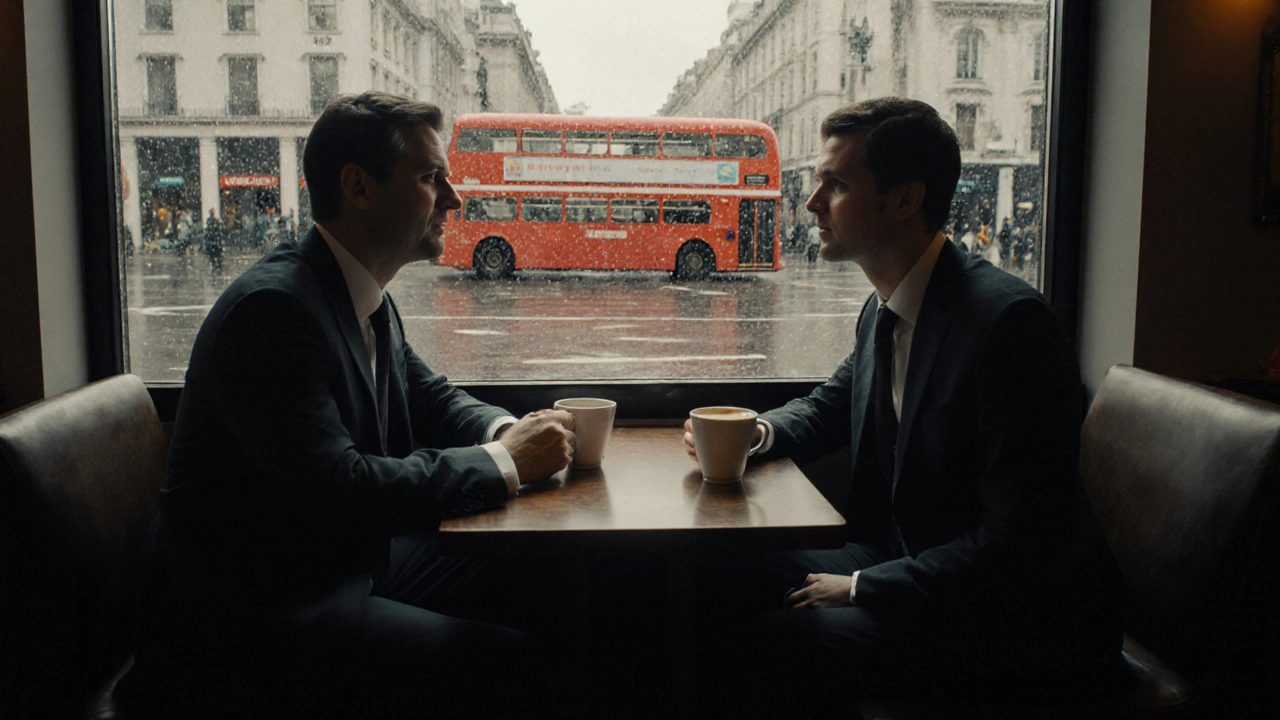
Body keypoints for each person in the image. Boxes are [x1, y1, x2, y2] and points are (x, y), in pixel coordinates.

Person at [120, 92, 578, 719]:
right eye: (429, 177)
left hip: (334, 567)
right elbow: (340, 488)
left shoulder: (357, 289)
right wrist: (506, 462)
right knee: (507, 659)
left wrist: (510, 428)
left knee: (556, 576)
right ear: (359, 187)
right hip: (254, 619)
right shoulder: (273, 312)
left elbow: (428, 395)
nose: (454, 198)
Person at [686, 98, 1123, 717]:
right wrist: (751, 433)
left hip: (1014, 621)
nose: (810, 204)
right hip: (913, 559)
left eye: (835, 184)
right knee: (717, 567)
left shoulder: (1008, 326)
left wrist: (864, 587)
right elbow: (831, 406)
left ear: (905, 198)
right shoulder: (885, 307)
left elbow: (1021, 544)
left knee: (773, 644)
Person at [202, 208, 225, 273]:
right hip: (212, 240)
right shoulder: (210, 221)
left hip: (215, 240)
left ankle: (217, 266)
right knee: (213, 255)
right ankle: (215, 266)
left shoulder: (215, 220)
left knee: (216, 254)